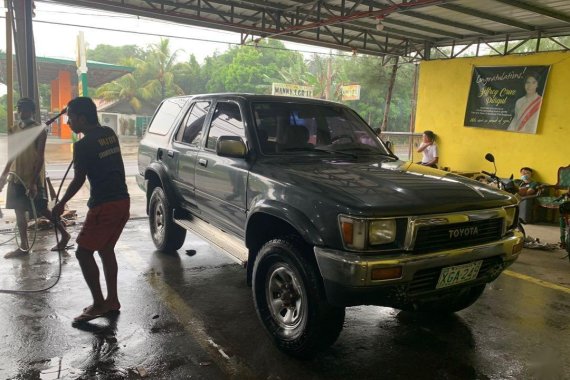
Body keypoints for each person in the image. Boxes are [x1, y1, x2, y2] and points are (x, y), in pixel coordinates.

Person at [52, 97, 130, 324]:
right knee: (106, 249)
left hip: (104, 205)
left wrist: (60, 204)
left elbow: (78, 179)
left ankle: (98, 304)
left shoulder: (82, 145)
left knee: (83, 252)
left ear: (82, 118)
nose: (68, 123)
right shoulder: (108, 133)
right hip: (122, 201)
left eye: (71, 118)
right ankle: (112, 300)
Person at [0, 98, 70, 258]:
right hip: (16, 177)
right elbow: (12, 154)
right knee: (19, 212)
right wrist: (4, 176)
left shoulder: (39, 130)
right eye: (19, 108)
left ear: (32, 111)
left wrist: (33, 182)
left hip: (33, 178)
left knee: (43, 210)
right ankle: (24, 247)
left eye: (24, 109)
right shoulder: (13, 129)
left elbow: (40, 157)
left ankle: (64, 234)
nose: (20, 111)